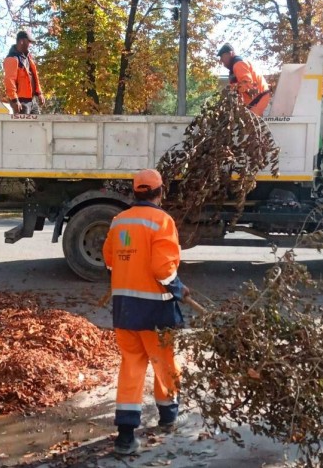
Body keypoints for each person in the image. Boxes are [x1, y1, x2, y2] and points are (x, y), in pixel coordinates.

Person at [102, 168, 190, 455]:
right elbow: (162, 268)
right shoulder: (162, 221)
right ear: (159, 192)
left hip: (124, 309)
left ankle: (126, 435)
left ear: (135, 191)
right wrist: (177, 288)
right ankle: (168, 417)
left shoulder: (119, 222)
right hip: (156, 309)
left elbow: (111, 261)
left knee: (131, 365)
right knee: (163, 361)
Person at [218, 43, 271, 116]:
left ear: (230, 53)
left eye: (222, 57)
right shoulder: (235, 66)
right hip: (255, 99)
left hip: (258, 98)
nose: (221, 61)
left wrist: (232, 91)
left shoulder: (238, 64)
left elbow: (247, 84)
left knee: (249, 124)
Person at [3, 30, 45, 114]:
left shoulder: (28, 57)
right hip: (21, 102)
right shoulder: (12, 58)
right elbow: (9, 81)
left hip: (32, 100)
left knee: (39, 126)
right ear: (21, 41)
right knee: (24, 127)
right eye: (28, 41)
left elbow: (34, 76)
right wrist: (15, 100)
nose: (30, 44)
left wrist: (39, 93)